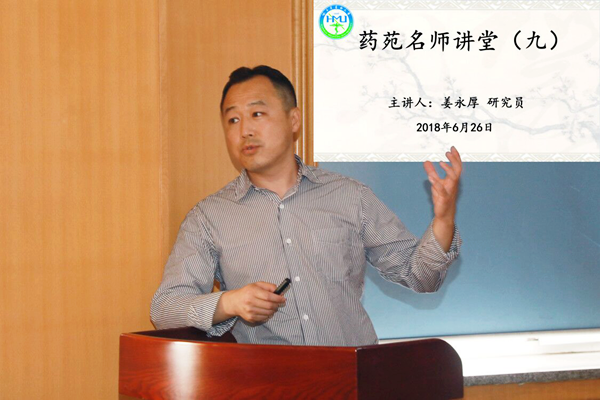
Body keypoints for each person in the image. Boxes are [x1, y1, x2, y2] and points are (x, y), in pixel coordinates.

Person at [150, 65, 462, 346]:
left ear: (293, 120)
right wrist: (229, 303)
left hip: (352, 377)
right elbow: (165, 309)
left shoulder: (349, 196)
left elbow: (420, 275)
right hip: (268, 381)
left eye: (257, 114)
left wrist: (444, 219)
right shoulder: (209, 217)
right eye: (233, 119)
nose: (245, 130)